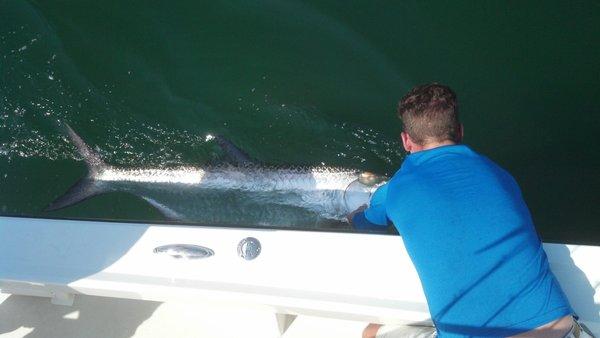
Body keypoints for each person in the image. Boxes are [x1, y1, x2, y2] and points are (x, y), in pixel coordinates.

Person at [349, 83, 593, 338]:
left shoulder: (395, 190)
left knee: (370, 332)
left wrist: (354, 216)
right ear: (460, 132)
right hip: (562, 329)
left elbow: (364, 223)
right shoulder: (500, 176)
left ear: (406, 140)